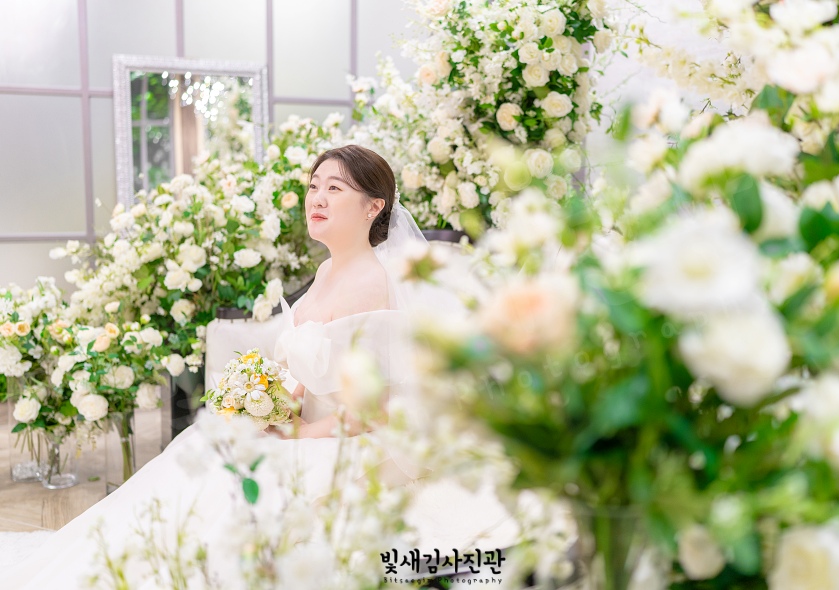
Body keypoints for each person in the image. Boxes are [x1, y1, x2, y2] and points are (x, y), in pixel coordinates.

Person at [6, 145, 515, 588]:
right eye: (313, 186)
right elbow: (311, 370)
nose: (316, 198)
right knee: (199, 456)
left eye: (334, 188)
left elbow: (373, 410)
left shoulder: (371, 283)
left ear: (373, 205)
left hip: (350, 441)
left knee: (230, 491)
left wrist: (301, 433)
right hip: (307, 427)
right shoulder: (326, 272)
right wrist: (268, 405)